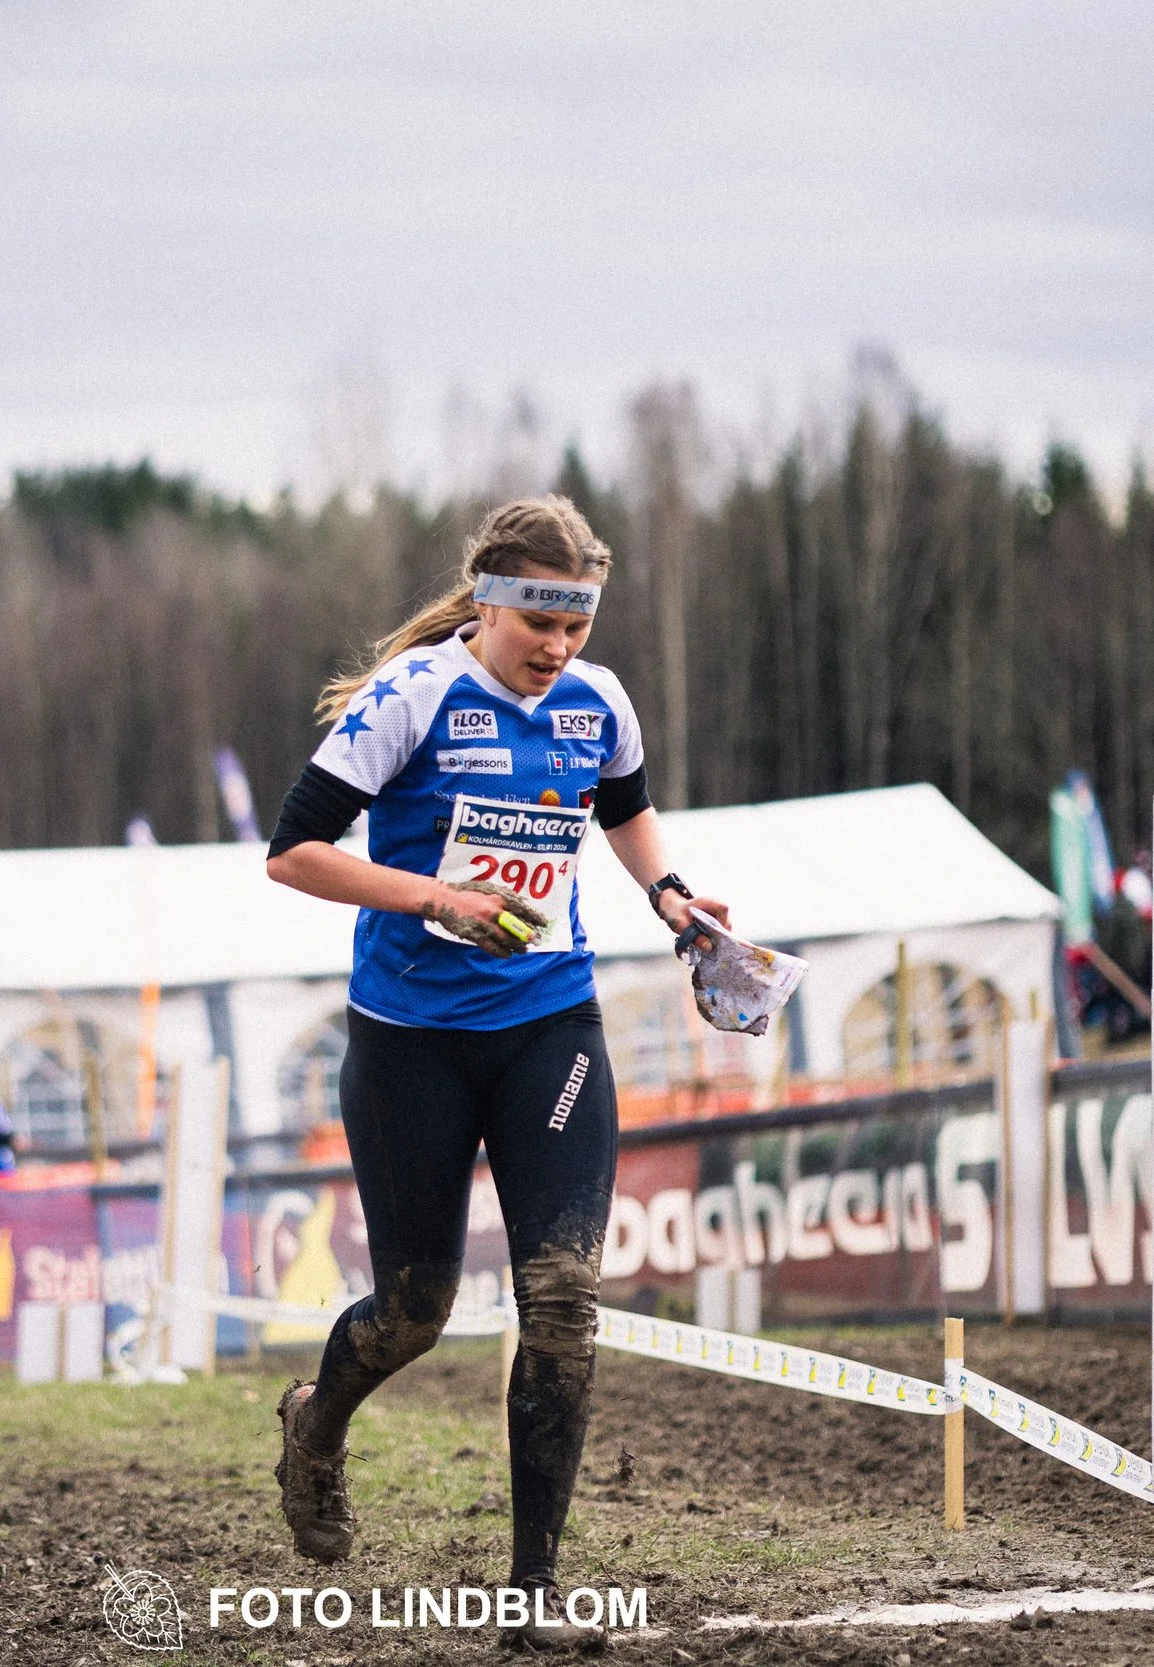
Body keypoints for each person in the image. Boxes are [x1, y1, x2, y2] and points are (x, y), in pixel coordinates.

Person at [263, 495, 730, 1652]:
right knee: (415, 1307)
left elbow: (620, 803)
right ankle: (316, 1427)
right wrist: (434, 896)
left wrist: (671, 899)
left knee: (564, 1297)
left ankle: (532, 1597)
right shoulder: (412, 696)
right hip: (409, 1040)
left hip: (546, 1028)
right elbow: (291, 851)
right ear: (490, 599)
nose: (558, 649)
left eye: (575, 626)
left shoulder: (597, 700)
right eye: (539, 622)